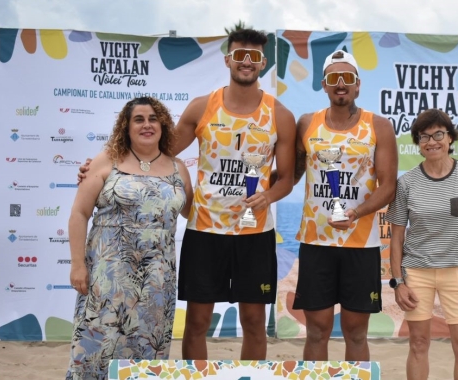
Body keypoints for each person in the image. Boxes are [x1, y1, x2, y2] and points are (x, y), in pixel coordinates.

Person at [79, 29, 296, 360]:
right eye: (240, 56)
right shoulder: (202, 107)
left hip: (255, 232)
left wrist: (268, 196)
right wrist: (98, 164)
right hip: (205, 230)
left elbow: (287, 177)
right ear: (228, 60)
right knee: (196, 322)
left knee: (253, 322)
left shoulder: (280, 114)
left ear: (263, 63)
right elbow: (154, 150)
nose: (247, 63)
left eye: (254, 57)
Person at [66, 97, 193, 380]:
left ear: (162, 125)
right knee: (96, 349)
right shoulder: (104, 162)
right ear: (126, 127)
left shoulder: (178, 169)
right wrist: (77, 265)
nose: (147, 124)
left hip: (156, 284)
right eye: (139, 119)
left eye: (153, 119)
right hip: (107, 279)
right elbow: (78, 214)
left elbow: (191, 212)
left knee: (147, 354)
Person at [292, 50, 397, 361]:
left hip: (361, 244)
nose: (341, 84)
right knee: (316, 330)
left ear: (358, 85)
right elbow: (294, 174)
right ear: (324, 84)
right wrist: (253, 184)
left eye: (347, 78)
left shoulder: (379, 126)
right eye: (334, 78)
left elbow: (388, 186)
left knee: (356, 331)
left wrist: (355, 213)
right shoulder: (306, 123)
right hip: (316, 241)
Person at [386, 109, 458, 380]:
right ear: (418, 144)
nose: (432, 142)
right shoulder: (406, 183)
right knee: (418, 345)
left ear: (451, 138)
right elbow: (396, 236)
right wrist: (398, 282)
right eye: (424, 137)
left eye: (438, 134)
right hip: (416, 273)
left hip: (457, 272)